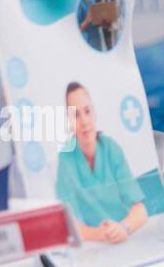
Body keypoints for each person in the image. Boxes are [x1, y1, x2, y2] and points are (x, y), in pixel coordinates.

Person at [55, 83, 147, 244]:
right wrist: (100, 234)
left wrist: (123, 228)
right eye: (76, 115)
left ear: (94, 112)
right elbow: (68, 223)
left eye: (87, 111)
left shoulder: (111, 149)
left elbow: (140, 211)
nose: (84, 121)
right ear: (69, 120)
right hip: (92, 245)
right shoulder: (66, 159)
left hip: (126, 237)